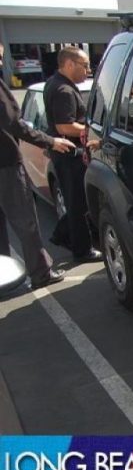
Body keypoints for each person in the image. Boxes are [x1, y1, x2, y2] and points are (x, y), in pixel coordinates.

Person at [0, 44, 74, 289]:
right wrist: (51, 140)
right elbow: (15, 125)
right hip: (5, 165)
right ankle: (40, 273)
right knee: (26, 222)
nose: (2, 64)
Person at [43, 46, 102, 262]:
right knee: (78, 205)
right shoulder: (63, 90)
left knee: (77, 202)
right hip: (69, 155)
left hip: (66, 154)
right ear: (69, 64)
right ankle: (82, 250)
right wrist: (92, 130)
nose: (88, 70)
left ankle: (62, 235)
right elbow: (64, 127)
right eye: (84, 65)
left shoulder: (55, 83)